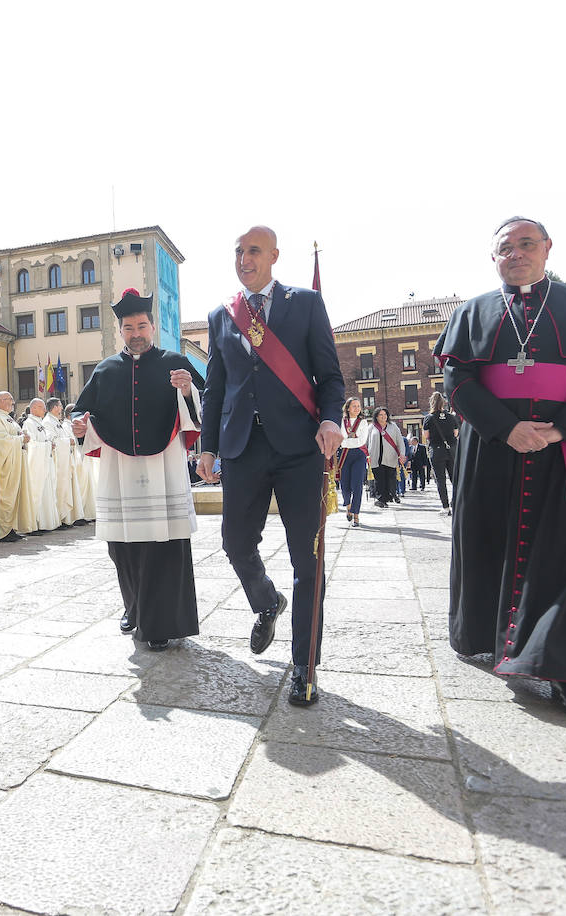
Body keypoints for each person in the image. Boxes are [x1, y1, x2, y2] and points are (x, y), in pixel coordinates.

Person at [434, 216, 566, 724]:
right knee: (489, 541)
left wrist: (563, 427)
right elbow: (458, 377)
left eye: (526, 244)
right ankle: (491, 639)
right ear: (493, 256)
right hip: (493, 448)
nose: (516, 253)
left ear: (547, 248)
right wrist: (505, 427)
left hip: (565, 447)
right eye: (506, 247)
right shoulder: (473, 311)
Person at [197, 226, 344, 705]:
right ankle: (267, 602)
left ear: (275, 256)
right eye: (237, 251)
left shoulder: (305, 303)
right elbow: (215, 389)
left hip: (300, 447)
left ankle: (305, 665)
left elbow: (330, 375)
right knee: (235, 543)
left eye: (253, 251)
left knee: (308, 557)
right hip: (243, 448)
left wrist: (329, 419)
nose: (244, 258)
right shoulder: (222, 315)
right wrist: (207, 446)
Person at [72, 289, 206, 651]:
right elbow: (79, 409)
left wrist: (189, 389)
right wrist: (80, 426)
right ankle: (133, 607)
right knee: (123, 546)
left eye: (142, 325)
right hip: (120, 469)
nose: (136, 333)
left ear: (152, 327)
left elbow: (205, 404)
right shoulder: (105, 369)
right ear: (120, 330)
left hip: (165, 467)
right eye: (129, 327)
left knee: (164, 545)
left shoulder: (175, 361)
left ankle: (160, 622)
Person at [0, 392, 36, 541]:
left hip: (16, 461)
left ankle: (10, 527)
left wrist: (23, 438)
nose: (13, 402)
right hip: (6, 464)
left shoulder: (7, 418)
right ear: (1, 401)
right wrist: (21, 438)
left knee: (14, 496)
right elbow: (1, 442)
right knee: (6, 496)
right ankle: (3, 529)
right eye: (9, 400)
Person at [22, 399, 62, 532]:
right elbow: (31, 444)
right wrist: (47, 446)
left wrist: (50, 444)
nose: (44, 410)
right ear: (33, 408)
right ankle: (36, 523)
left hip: (46, 461)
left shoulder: (40, 423)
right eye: (41, 407)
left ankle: (47, 523)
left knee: (47, 491)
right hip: (37, 464)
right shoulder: (28, 423)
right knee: (37, 492)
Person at [45, 398, 86, 526]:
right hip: (59, 462)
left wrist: (68, 441)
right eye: (60, 406)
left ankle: (67, 518)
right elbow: (52, 440)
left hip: (66, 460)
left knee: (67, 489)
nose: (61, 408)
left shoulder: (56, 421)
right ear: (55, 407)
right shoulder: (48, 422)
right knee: (60, 489)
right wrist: (68, 441)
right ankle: (61, 518)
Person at [423, 391, 458, 515]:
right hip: (452, 450)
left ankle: (445, 507)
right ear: (443, 403)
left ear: (431, 403)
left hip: (437, 451)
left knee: (440, 479)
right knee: (455, 479)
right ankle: (455, 504)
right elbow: (455, 433)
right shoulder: (451, 417)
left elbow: (427, 436)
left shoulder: (428, 418)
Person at [337, 398, 369, 528]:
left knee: (357, 486)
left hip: (359, 455)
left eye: (358, 406)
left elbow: (362, 441)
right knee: (344, 485)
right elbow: (341, 439)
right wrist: (351, 438)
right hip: (345, 455)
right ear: (348, 408)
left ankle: (356, 515)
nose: (357, 408)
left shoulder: (363, 422)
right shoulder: (341, 422)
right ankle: (348, 505)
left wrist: (348, 440)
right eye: (354, 406)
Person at [366, 408, 406, 508]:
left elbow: (400, 441)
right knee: (379, 479)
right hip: (375, 457)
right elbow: (366, 443)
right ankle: (381, 499)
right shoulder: (371, 427)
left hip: (390, 457)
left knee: (390, 479)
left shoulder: (393, 426)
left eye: (385, 414)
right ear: (376, 416)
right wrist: (366, 455)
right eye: (380, 415)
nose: (383, 416)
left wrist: (402, 454)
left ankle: (388, 496)